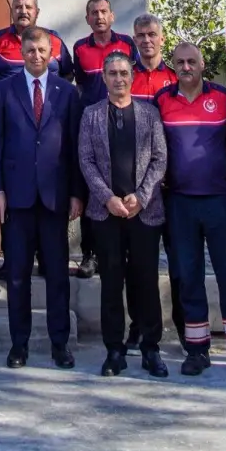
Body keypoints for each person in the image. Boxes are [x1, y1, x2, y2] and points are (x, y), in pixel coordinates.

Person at [0, 27, 83, 369]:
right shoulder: (4, 90)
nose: (37, 56)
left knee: (57, 274)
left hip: (56, 198)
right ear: (22, 53)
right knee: (17, 275)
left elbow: (74, 147)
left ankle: (60, 344)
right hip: (16, 199)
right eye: (30, 50)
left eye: (43, 50)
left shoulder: (67, 93)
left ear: (52, 52)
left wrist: (75, 193)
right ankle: (19, 345)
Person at [156, 43, 226, 377]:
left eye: (191, 61)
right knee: (188, 277)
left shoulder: (224, 98)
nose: (186, 67)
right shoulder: (163, 100)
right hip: (180, 202)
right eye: (180, 62)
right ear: (173, 65)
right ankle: (196, 350)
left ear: (202, 64)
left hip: (219, 201)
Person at [78, 51, 167, 377]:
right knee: (111, 283)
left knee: (145, 281)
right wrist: (107, 198)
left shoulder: (150, 114)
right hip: (106, 214)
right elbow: (85, 160)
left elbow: (160, 159)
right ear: (104, 78)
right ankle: (114, 349)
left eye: (123, 73)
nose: (118, 79)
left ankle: (150, 348)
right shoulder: (90, 115)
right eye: (112, 74)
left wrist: (141, 198)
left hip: (143, 213)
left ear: (132, 77)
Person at [128, 12, 184, 353]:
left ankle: (184, 325)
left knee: (179, 261)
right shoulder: (127, 78)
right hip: (138, 187)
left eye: (152, 35)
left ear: (162, 38)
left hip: (174, 185)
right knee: (141, 264)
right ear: (134, 40)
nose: (146, 41)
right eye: (140, 36)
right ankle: (140, 324)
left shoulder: (177, 77)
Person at [71, 0, 139, 278]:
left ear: (112, 16)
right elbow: (80, 84)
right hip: (92, 124)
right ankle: (90, 254)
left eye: (103, 12)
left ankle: (125, 251)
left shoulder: (126, 44)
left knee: (124, 184)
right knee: (92, 190)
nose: (99, 17)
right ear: (87, 19)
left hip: (124, 123)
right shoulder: (79, 48)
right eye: (93, 13)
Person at [0, 0, 73, 89]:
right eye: (18, 7)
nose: (23, 11)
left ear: (37, 12)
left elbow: (68, 74)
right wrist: (0, 95)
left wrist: (57, 95)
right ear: (12, 11)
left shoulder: (54, 39)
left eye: (28, 7)